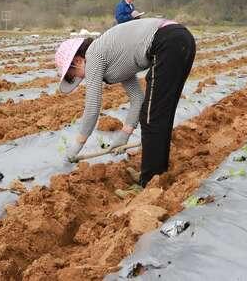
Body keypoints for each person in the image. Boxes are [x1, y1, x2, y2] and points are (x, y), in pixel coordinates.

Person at [55, 18, 195, 189]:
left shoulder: (93, 55)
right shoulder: (113, 59)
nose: (80, 78)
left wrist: (76, 146)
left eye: (74, 74)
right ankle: (155, 176)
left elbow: (92, 108)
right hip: (181, 40)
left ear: (77, 61)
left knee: (152, 117)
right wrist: (124, 135)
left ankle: (149, 183)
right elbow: (137, 98)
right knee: (158, 114)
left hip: (167, 42)